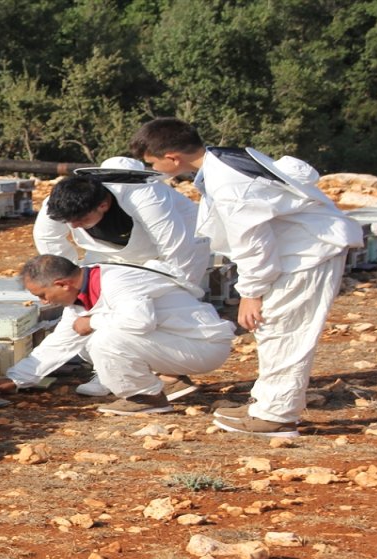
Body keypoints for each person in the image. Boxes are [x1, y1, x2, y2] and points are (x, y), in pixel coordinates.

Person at [128, 117, 363, 437]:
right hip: (296, 249)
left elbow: (253, 243)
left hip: (306, 253)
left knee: (284, 331)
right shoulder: (223, 159)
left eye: (153, 162)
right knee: (273, 329)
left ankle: (277, 416)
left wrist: (251, 293)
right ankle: (265, 403)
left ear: (172, 158)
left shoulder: (228, 184)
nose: (152, 168)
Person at [33, 156, 211, 398]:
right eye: (69, 221)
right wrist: (73, 281)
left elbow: (176, 249)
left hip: (171, 251)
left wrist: (167, 290)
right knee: (94, 306)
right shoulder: (61, 200)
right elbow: (48, 240)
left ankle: (170, 374)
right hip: (108, 253)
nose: (74, 226)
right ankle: (109, 370)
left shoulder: (146, 197)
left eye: (81, 220)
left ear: (103, 204)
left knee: (154, 310)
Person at [0, 255, 235, 416]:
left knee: (103, 339)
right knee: (89, 340)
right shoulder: (82, 292)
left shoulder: (117, 282)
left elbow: (140, 321)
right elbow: (61, 342)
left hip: (202, 346)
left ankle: (145, 398)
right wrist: (16, 378)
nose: (44, 302)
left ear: (62, 284)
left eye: (42, 295)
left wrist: (93, 321)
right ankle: (167, 382)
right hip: (179, 343)